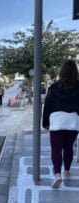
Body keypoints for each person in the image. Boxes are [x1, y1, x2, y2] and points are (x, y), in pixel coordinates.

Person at [42, 59, 79, 189]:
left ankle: (57, 174)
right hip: (73, 121)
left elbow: (47, 106)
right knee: (69, 147)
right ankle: (67, 170)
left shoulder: (54, 87)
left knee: (56, 149)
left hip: (57, 120)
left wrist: (45, 122)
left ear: (61, 72)